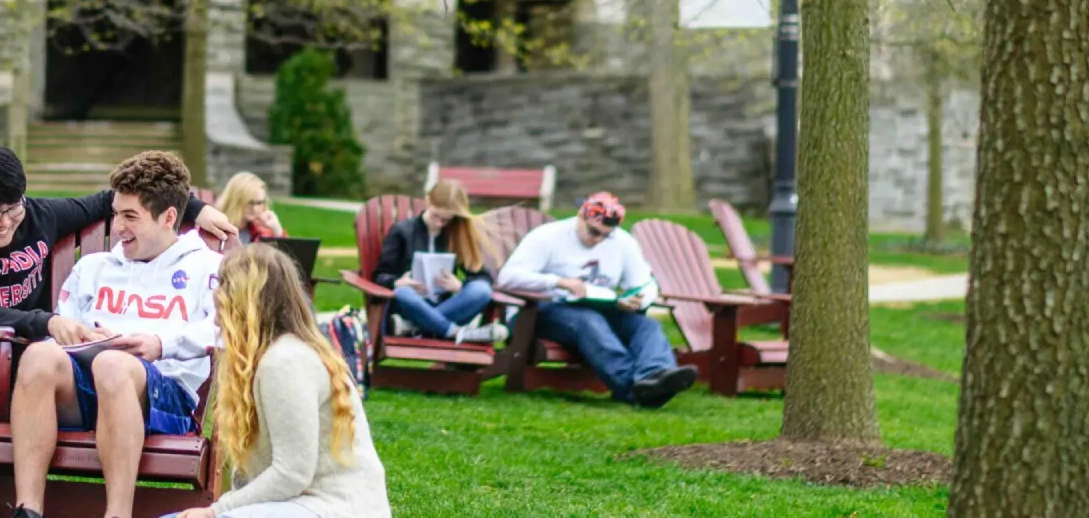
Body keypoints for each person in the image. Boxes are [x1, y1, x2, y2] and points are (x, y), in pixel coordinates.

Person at [0, 145, 236, 478]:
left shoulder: (38, 216)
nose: (5, 223)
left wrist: (191, 208)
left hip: (34, 376)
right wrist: (47, 322)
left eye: (13, 208)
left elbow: (114, 198)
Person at [7, 151, 222, 518]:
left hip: (165, 396)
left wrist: (159, 344)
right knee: (40, 356)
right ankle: (28, 511)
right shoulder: (93, 267)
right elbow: (63, 326)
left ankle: (117, 514)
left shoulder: (208, 268)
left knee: (113, 365)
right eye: (115, 214)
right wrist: (78, 336)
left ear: (169, 217)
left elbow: (225, 330)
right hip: (89, 384)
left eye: (130, 216)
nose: (118, 226)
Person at [164, 244, 391, 518]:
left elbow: (292, 473)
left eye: (224, 284)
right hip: (297, 504)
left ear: (247, 300)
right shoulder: (268, 358)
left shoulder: (285, 362)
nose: (214, 294)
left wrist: (217, 511)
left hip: (330, 507)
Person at [496, 192, 699, 408]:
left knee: (646, 326)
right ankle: (634, 389)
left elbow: (645, 282)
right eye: (594, 232)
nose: (598, 239)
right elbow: (508, 277)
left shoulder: (623, 242)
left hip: (601, 306)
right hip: (542, 310)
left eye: (606, 235)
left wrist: (640, 298)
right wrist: (559, 282)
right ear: (580, 216)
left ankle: (655, 374)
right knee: (589, 322)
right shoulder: (547, 236)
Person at [371, 180, 507, 343]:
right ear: (428, 201)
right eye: (436, 216)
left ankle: (414, 328)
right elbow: (380, 275)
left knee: (482, 290)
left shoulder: (456, 235)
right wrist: (398, 282)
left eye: (445, 220)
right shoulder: (402, 231)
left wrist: (459, 286)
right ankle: (457, 332)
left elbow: (483, 277)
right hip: (410, 306)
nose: (439, 223)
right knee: (403, 293)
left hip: (443, 305)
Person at [215, 172, 284, 243]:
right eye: (250, 202)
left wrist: (277, 230)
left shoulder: (263, 230)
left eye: (259, 203)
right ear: (235, 201)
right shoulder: (216, 227)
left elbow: (285, 253)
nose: (255, 209)